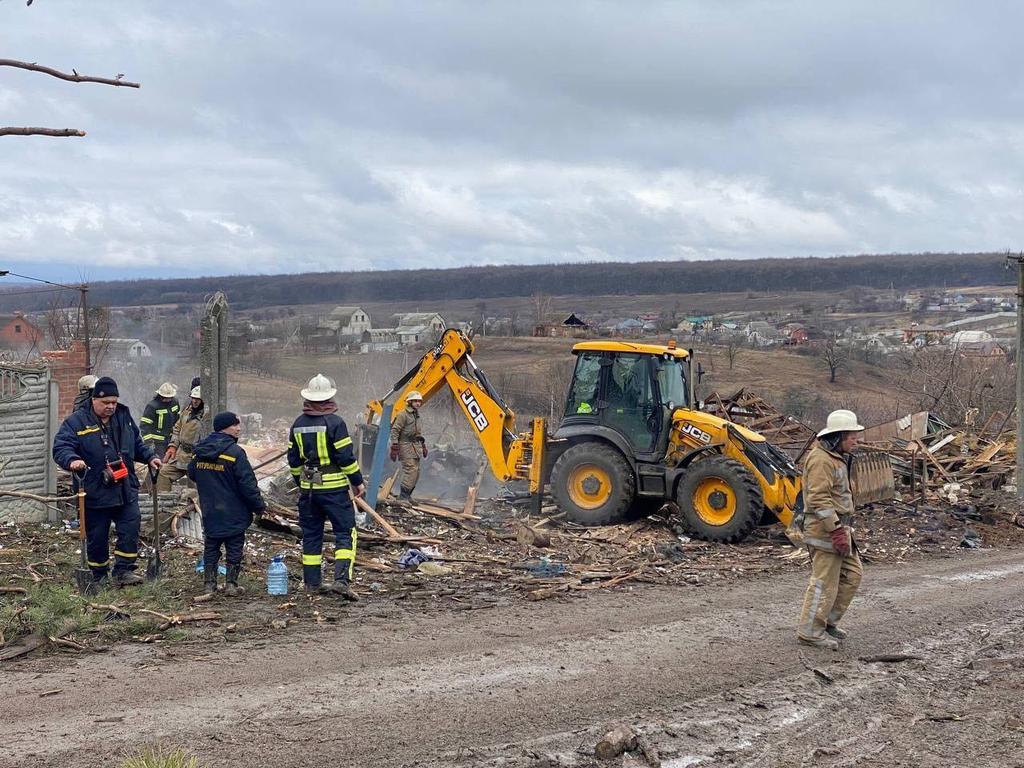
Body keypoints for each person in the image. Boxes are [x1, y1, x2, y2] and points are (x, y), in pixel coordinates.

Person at [52, 376, 161, 586]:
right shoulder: (76, 422)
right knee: (97, 535)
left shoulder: (124, 416)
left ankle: (124, 571)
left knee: (131, 525)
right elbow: (61, 447)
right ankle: (99, 575)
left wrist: (150, 456)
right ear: (94, 400)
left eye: (113, 402)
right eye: (106, 403)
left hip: (125, 487)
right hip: (94, 489)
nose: (111, 406)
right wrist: (72, 460)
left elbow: (136, 443)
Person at [288, 374, 365, 599]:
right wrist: (357, 481)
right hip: (335, 492)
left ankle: (312, 584)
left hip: (309, 492)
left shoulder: (298, 424)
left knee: (311, 535)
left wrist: (300, 483)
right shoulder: (335, 423)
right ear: (329, 397)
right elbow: (345, 458)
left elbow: (293, 460)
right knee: (345, 532)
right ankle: (341, 581)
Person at [796, 409, 865, 649]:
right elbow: (819, 498)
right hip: (824, 531)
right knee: (824, 582)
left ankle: (826, 623)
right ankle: (810, 631)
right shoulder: (820, 459)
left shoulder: (835, 457)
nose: (856, 441)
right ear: (838, 437)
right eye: (852, 436)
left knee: (852, 575)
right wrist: (835, 530)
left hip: (840, 529)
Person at [188, 411, 265, 596]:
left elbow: (192, 473)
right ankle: (231, 585)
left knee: (211, 547)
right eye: (235, 425)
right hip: (234, 510)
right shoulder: (235, 452)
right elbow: (248, 484)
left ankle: (209, 585)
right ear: (225, 428)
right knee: (234, 547)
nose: (239, 428)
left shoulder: (200, 451)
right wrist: (259, 506)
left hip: (210, 509)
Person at [157, 386, 205, 492]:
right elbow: (177, 428)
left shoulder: (206, 416)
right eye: (193, 398)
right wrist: (173, 446)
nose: (194, 401)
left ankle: (195, 506)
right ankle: (163, 502)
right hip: (181, 454)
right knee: (163, 473)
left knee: (195, 487)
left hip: (196, 457)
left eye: (197, 399)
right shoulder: (187, 411)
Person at [389, 390, 426, 501]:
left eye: (419, 401)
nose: (418, 403)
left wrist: (423, 445)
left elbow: (417, 432)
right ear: (409, 402)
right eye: (415, 401)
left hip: (415, 445)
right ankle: (403, 497)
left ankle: (408, 495)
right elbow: (395, 430)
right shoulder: (402, 414)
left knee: (417, 471)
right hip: (405, 444)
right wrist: (395, 446)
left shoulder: (417, 415)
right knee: (411, 470)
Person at [139, 382, 180, 460]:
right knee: (159, 464)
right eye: (165, 397)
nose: (168, 399)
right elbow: (144, 425)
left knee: (171, 463)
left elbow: (178, 420)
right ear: (160, 396)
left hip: (171, 440)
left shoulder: (175, 402)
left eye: (170, 397)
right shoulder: (152, 406)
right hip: (157, 443)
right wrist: (149, 443)